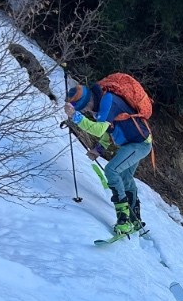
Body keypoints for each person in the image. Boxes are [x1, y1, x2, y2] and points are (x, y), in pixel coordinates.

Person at [63, 73, 154, 238]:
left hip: (139, 144)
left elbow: (98, 129)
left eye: (84, 108)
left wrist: (76, 117)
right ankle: (135, 219)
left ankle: (124, 220)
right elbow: (107, 133)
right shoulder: (101, 105)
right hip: (134, 143)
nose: (86, 111)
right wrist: (98, 150)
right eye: (83, 111)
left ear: (88, 101)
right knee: (125, 178)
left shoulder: (108, 100)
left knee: (112, 170)